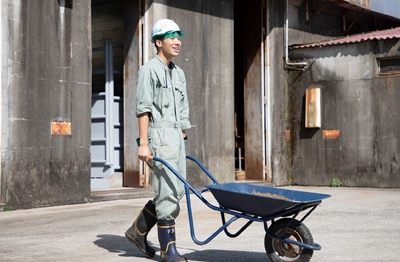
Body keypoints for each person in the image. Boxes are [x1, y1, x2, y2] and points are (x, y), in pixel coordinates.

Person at [125, 19, 190, 262]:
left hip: (176, 137)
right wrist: (144, 143)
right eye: (171, 37)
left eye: (178, 36)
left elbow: (183, 107)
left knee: (177, 190)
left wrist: (183, 134)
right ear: (158, 42)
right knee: (167, 193)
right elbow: (143, 109)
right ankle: (168, 251)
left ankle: (137, 232)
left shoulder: (179, 73)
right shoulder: (148, 70)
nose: (177, 41)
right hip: (159, 136)